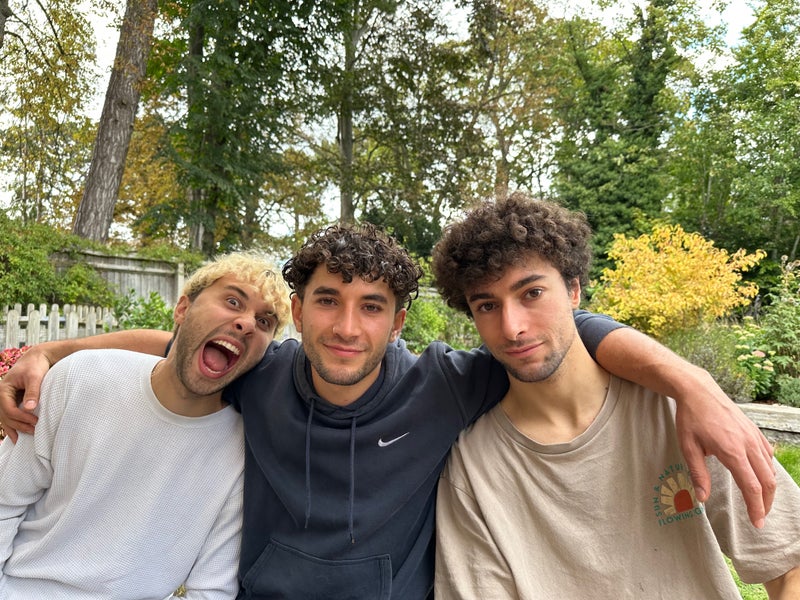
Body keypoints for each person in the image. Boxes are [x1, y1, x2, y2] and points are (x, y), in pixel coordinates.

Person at [0, 224, 777, 599]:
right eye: (327, 302)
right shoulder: (260, 373)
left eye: (371, 307)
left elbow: (564, 337)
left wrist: (691, 384)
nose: (347, 328)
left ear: (400, 321)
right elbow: (178, 344)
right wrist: (53, 353)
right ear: (297, 311)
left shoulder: (446, 385)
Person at [431, 193, 800, 599]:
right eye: (487, 305)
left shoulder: (679, 411)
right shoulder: (473, 467)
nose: (512, 327)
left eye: (532, 293)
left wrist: (692, 385)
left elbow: (790, 566)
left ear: (574, 290)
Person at [0, 253, 291, 599]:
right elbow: (5, 502)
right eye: (232, 301)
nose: (246, 323)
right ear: (182, 309)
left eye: (264, 321)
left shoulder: (244, 448)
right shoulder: (79, 378)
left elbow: (211, 590)